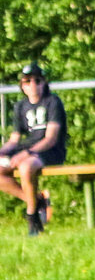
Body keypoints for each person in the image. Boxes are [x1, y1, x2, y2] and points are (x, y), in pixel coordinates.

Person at [0, 63, 67, 236]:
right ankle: (37, 201)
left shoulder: (52, 102)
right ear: (22, 85)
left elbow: (51, 139)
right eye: (27, 81)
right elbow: (14, 140)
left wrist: (27, 153)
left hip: (50, 151)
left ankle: (32, 216)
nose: (33, 85)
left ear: (44, 83)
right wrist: (2, 151)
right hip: (27, 150)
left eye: (37, 80)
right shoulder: (20, 106)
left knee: (26, 167)